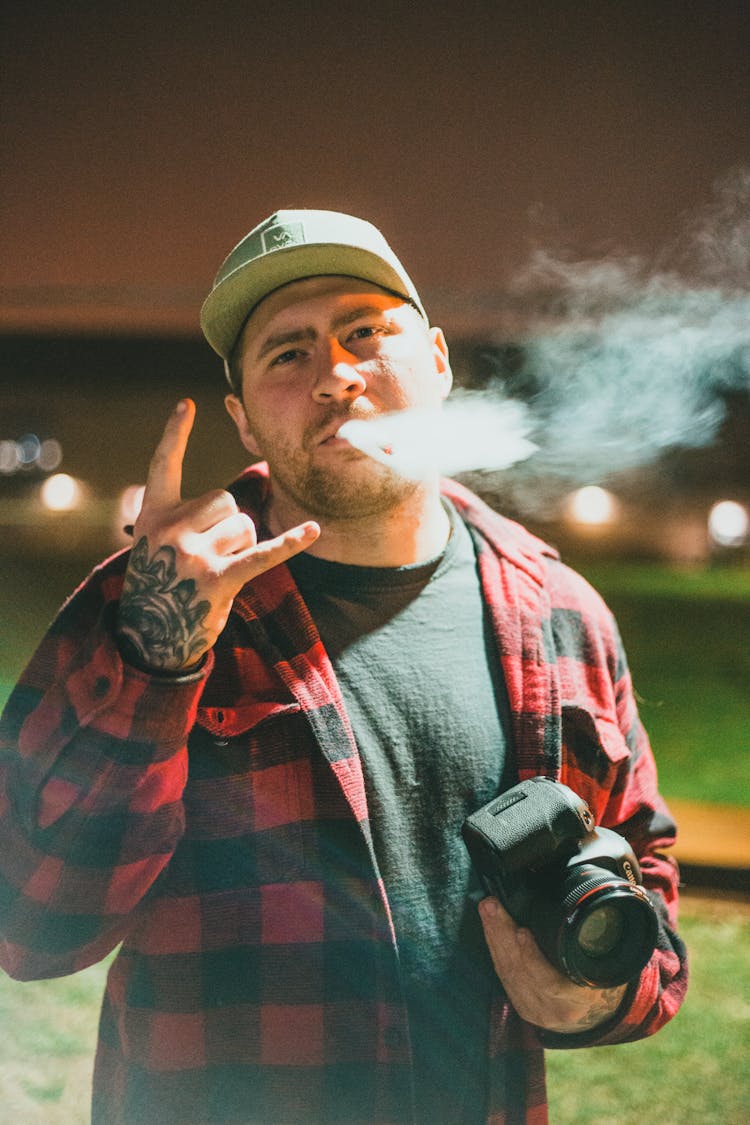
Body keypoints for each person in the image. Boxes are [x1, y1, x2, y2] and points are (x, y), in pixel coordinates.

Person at [0, 209, 687, 1125]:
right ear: (243, 420)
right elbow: (34, 923)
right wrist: (159, 662)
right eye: (287, 353)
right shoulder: (153, 595)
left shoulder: (561, 610)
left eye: (366, 331)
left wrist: (597, 996)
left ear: (438, 362)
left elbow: (644, 872)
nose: (337, 375)